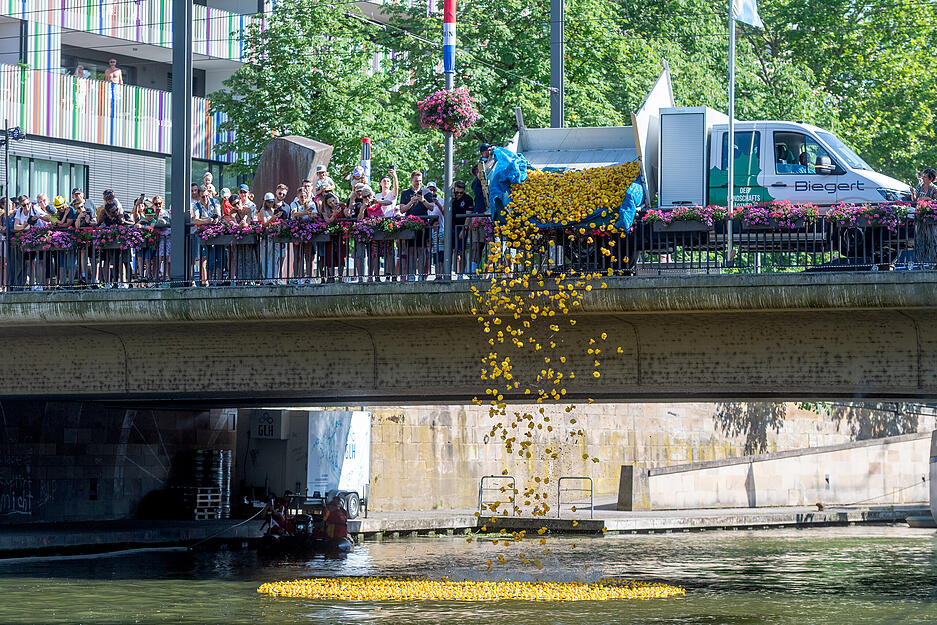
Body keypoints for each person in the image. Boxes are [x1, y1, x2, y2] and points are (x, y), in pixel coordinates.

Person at [191, 185, 222, 285]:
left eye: (207, 196)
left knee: (218, 256)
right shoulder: (196, 205)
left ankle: (219, 280)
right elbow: (195, 220)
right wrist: (207, 221)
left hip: (216, 232)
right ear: (199, 197)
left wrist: (216, 219)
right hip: (204, 234)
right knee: (206, 257)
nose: (205, 198)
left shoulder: (215, 201)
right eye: (203, 197)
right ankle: (206, 281)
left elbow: (218, 214)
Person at [451, 180, 474, 275]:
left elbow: (468, 216)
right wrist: (452, 199)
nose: (459, 194)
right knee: (450, 251)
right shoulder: (451, 198)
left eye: (461, 192)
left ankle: (460, 274)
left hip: (461, 228)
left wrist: (464, 229)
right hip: (451, 228)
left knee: (461, 251)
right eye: (457, 192)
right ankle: (450, 273)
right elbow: (444, 211)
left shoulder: (468, 199)